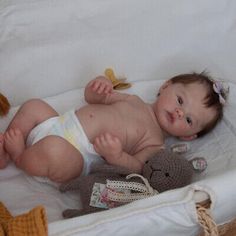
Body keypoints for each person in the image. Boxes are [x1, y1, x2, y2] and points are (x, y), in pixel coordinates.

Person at [0, 72, 228, 183]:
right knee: (34, 106)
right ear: (165, 86)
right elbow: (93, 99)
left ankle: (19, 156)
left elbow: (137, 167)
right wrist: (98, 86)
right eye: (180, 101)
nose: (179, 113)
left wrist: (116, 155)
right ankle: (5, 146)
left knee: (53, 150)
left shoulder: (156, 143)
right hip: (59, 123)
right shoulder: (133, 100)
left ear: (189, 137)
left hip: (76, 155)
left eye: (188, 120)